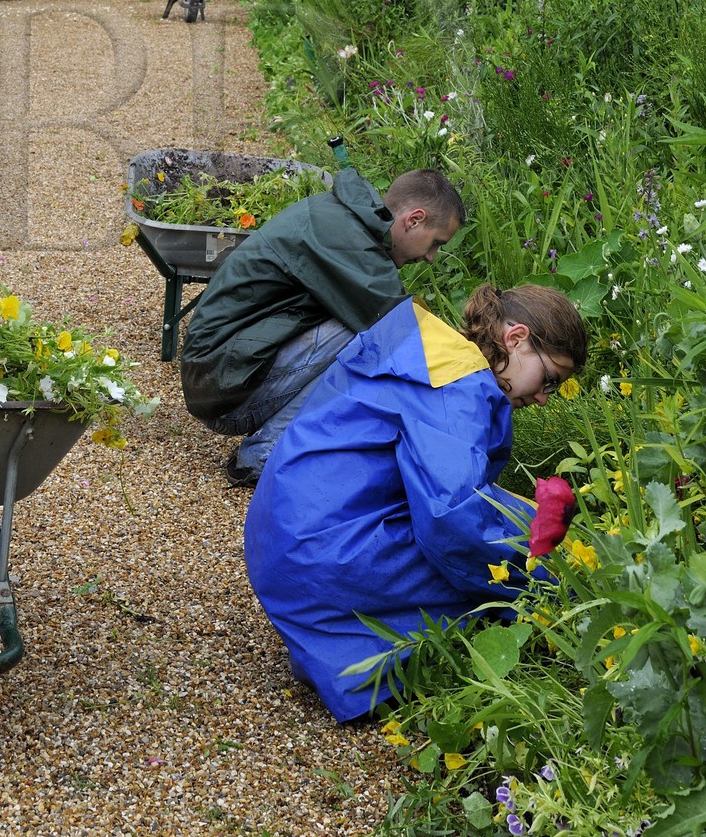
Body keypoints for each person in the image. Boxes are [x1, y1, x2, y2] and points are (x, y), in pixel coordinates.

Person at [243, 283, 587, 722]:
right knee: (490, 558)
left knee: (504, 519)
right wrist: (548, 578)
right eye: (549, 380)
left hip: (283, 542)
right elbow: (453, 519)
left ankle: (337, 651)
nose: (542, 398)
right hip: (320, 556)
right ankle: (380, 665)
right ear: (516, 338)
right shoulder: (457, 387)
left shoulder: (426, 350)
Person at [181, 167, 465, 484]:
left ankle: (288, 448)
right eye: (436, 243)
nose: (431, 257)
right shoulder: (347, 242)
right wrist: (471, 365)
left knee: (373, 327)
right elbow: (405, 327)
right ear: (414, 219)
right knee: (374, 333)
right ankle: (260, 458)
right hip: (221, 386)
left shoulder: (341, 219)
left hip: (219, 372)